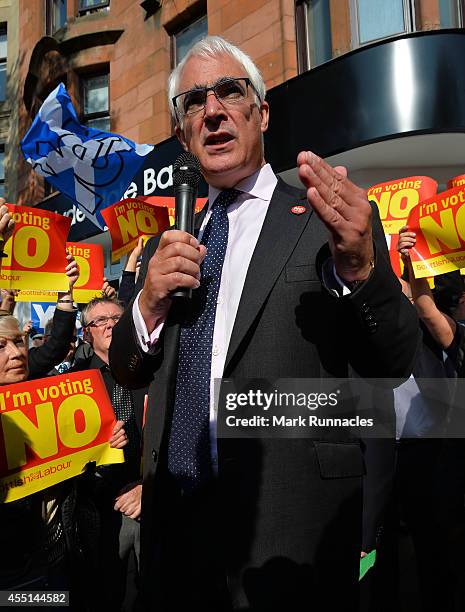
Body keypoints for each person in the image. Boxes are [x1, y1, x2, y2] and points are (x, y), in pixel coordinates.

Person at [109, 37, 419, 611]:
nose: (214, 110)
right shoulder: (167, 243)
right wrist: (148, 304)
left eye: (231, 91)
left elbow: (393, 359)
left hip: (289, 534)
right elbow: (128, 371)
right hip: (174, 539)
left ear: (262, 112)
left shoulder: (327, 220)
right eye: (195, 101)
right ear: (182, 133)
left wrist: (360, 268)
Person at [72, 297, 146, 611]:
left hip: (147, 499)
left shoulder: (153, 370)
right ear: (87, 333)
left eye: (116, 317)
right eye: (99, 321)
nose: (110, 324)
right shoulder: (72, 385)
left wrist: (149, 486)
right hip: (98, 511)